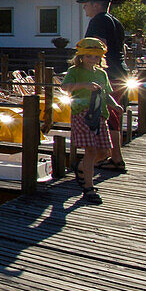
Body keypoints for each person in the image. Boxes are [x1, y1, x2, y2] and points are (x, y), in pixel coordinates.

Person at [61, 37, 121, 203]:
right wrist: (84, 85)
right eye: (89, 56)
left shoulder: (102, 73)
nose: (92, 60)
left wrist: (115, 105)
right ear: (81, 56)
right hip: (82, 114)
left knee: (104, 152)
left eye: (96, 57)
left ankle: (80, 169)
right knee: (91, 150)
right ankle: (89, 187)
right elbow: (64, 87)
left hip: (100, 114)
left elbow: (106, 93)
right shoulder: (75, 71)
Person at [79, 0, 128, 171]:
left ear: (96, 5)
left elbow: (98, 47)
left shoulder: (98, 21)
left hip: (107, 75)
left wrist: (86, 71)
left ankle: (112, 157)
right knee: (114, 116)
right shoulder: (116, 22)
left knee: (108, 116)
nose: (84, 7)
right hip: (120, 73)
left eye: (87, 3)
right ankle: (114, 157)